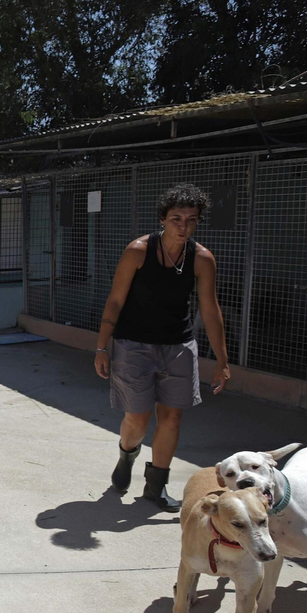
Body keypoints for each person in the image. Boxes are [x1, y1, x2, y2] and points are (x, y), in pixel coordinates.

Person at [94, 185, 231, 511]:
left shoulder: (201, 259)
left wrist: (222, 360)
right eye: (176, 219)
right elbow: (116, 300)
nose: (183, 226)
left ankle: (156, 487)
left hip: (178, 345)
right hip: (133, 344)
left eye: (190, 220)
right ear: (163, 219)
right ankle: (127, 455)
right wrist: (102, 347)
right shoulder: (138, 251)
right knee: (138, 420)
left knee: (170, 420)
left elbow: (210, 310)